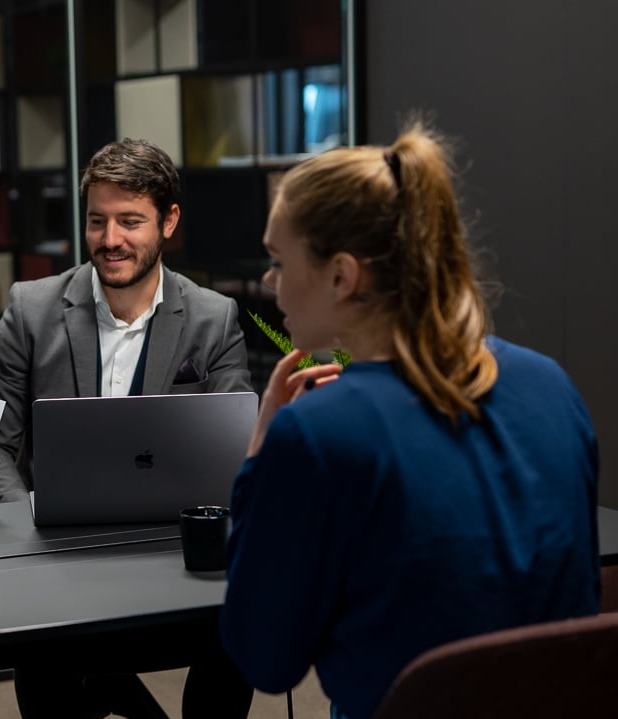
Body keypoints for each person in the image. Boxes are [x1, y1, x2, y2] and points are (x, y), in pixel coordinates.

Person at [219, 122, 598, 719]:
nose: (269, 284)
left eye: (276, 261)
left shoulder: (319, 434)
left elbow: (264, 659)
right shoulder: (551, 385)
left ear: (342, 276)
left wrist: (259, 457)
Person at [0, 138, 254, 718]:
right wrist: (24, 518)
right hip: (54, 551)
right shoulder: (32, 309)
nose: (110, 240)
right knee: (44, 653)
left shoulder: (212, 316)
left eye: (130, 221)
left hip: (172, 550)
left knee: (239, 629)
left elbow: (234, 450)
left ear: (168, 221)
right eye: (97, 221)